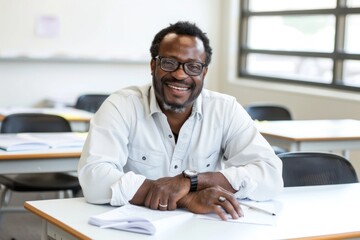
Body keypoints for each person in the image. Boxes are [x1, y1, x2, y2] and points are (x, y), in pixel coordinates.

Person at [78, 21, 283, 221]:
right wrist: (187, 197)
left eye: (193, 67)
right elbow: (94, 179)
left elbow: (270, 176)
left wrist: (192, 181)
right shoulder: (121, 106)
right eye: (169, 63)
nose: (179, 74)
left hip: (206, 230)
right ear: (153, 65)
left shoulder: (225, 109)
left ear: (204, 72)